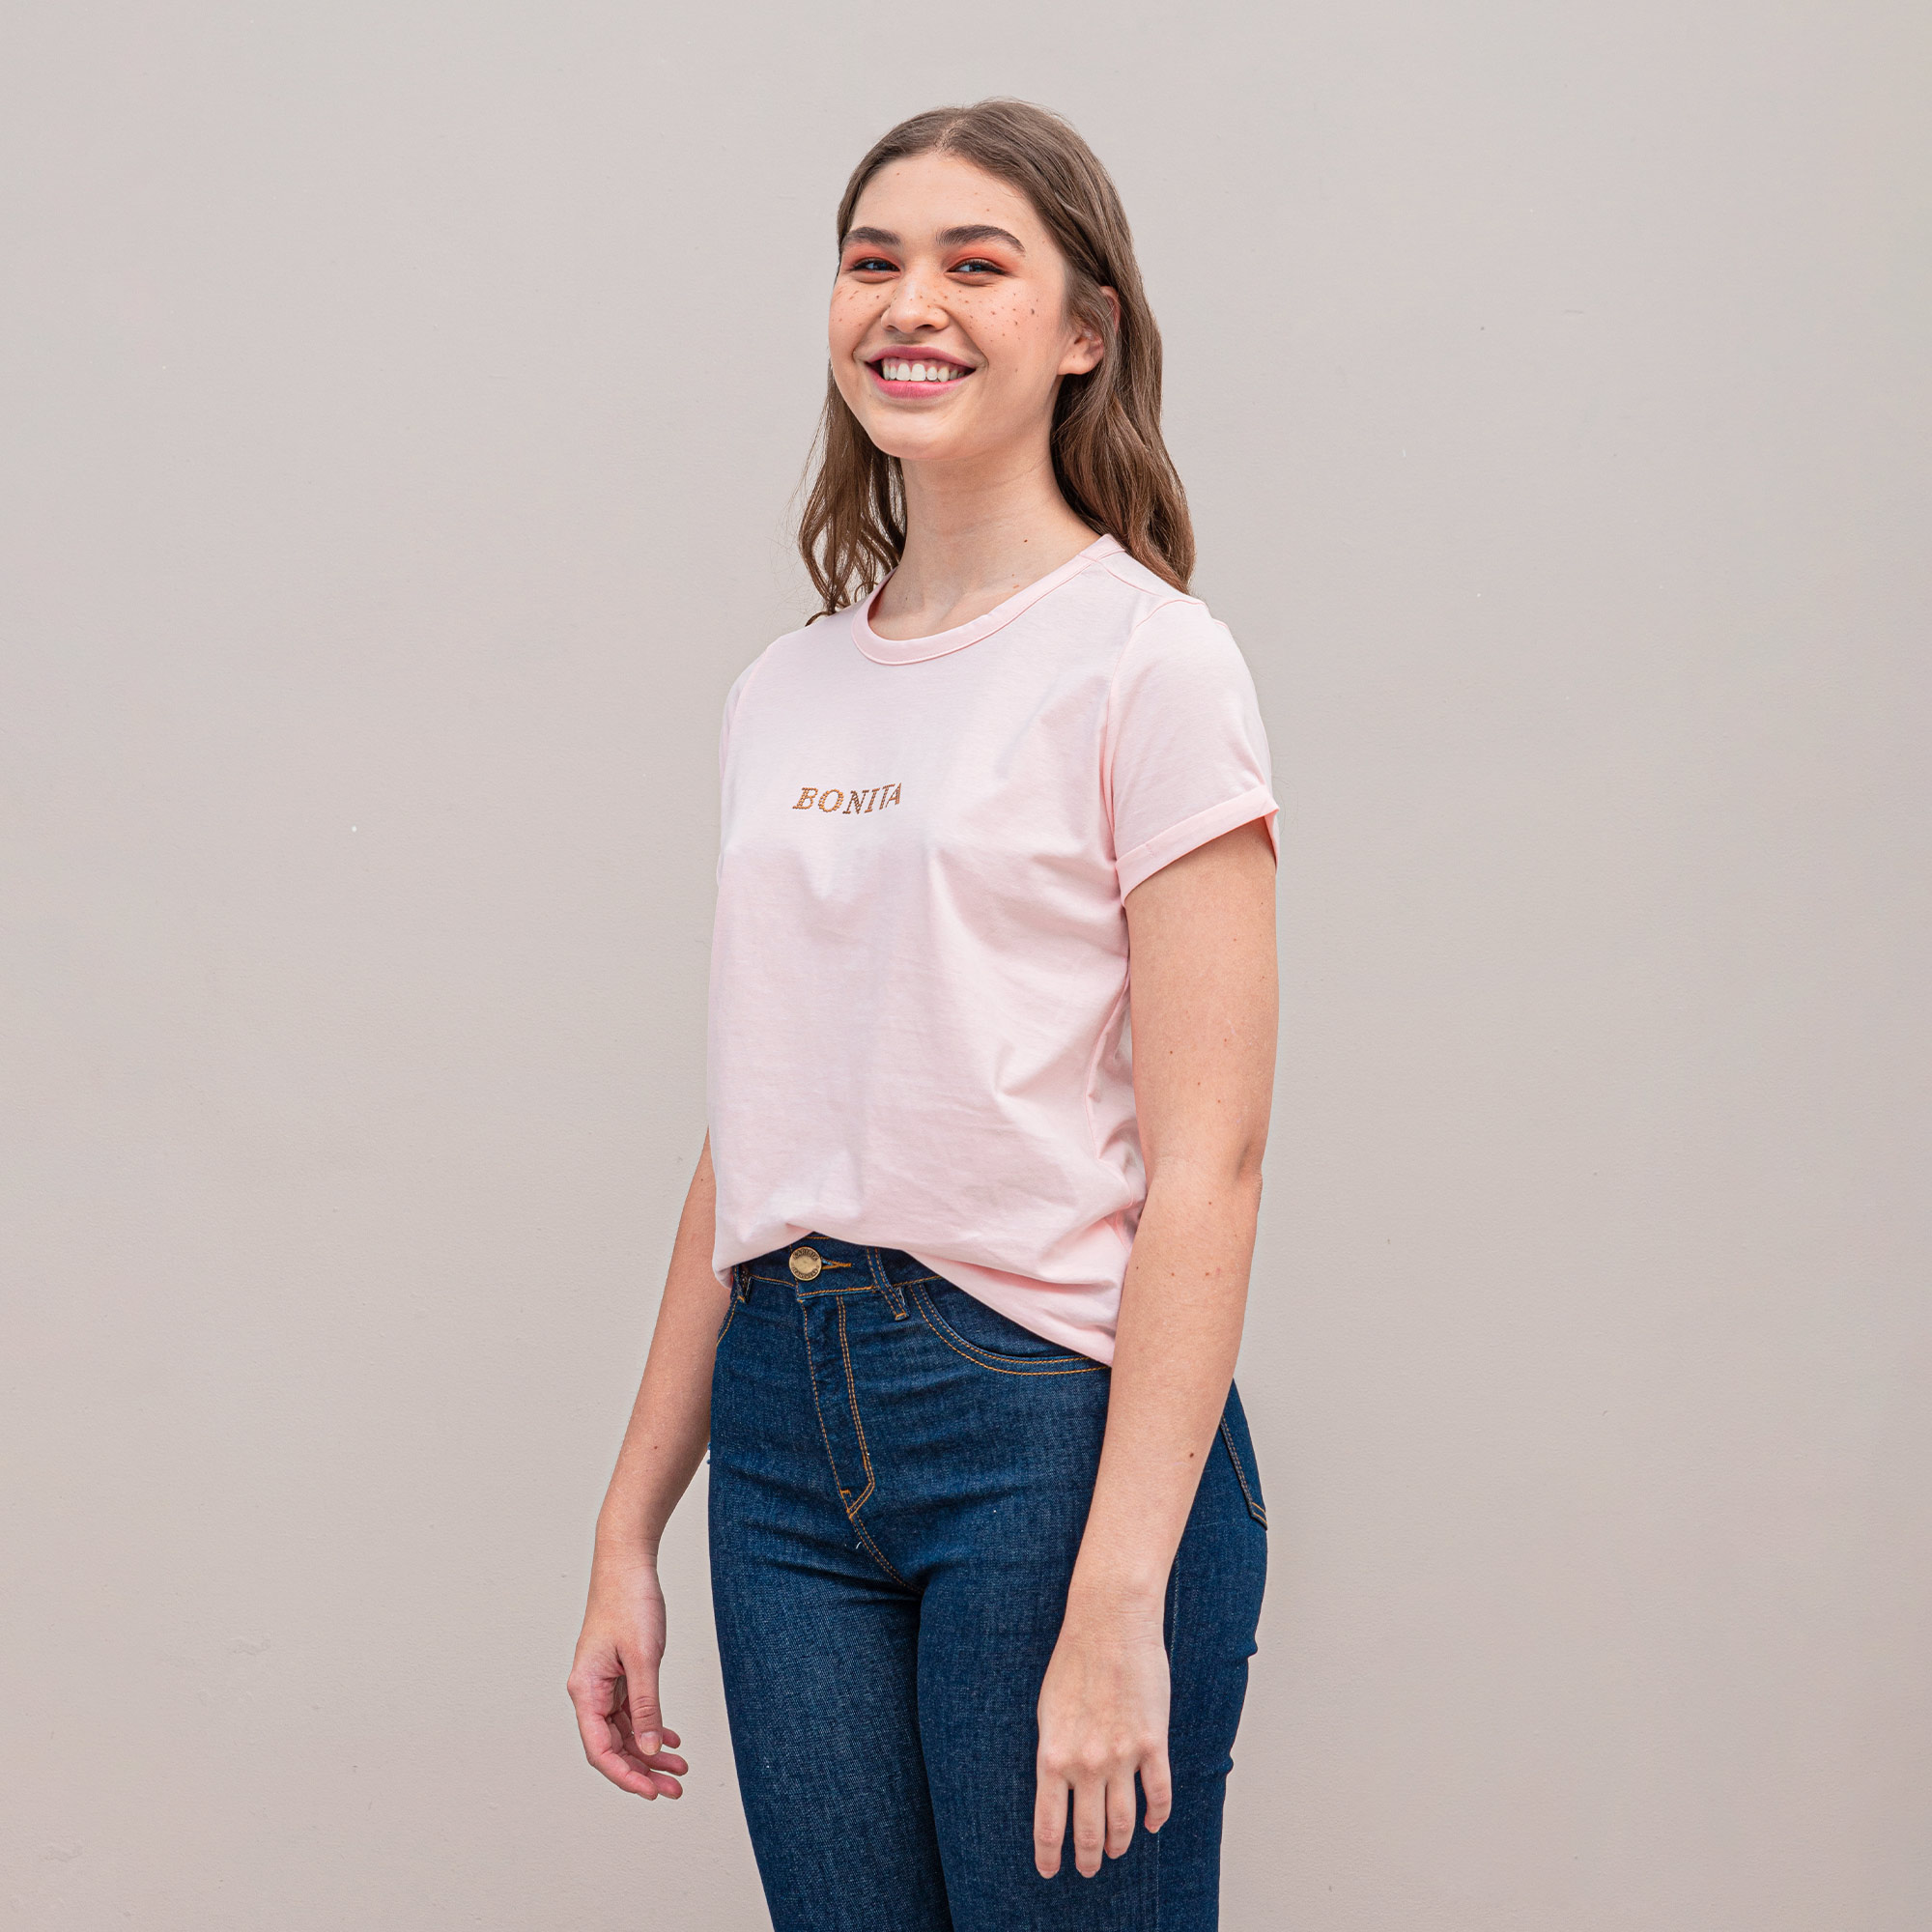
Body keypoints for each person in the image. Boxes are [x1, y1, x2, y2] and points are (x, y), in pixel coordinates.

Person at [568, 98, 1278, 1930]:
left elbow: (1209, 1163)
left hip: (1040, 1426)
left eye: (979, 264)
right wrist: (631, 1523)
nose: (912, 304)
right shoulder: (782, 691)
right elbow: (758, 1130)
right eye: (873, 261)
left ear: (1084, 330)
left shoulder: (1151, 662)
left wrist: (1120, 1590)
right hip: (782, 1444)